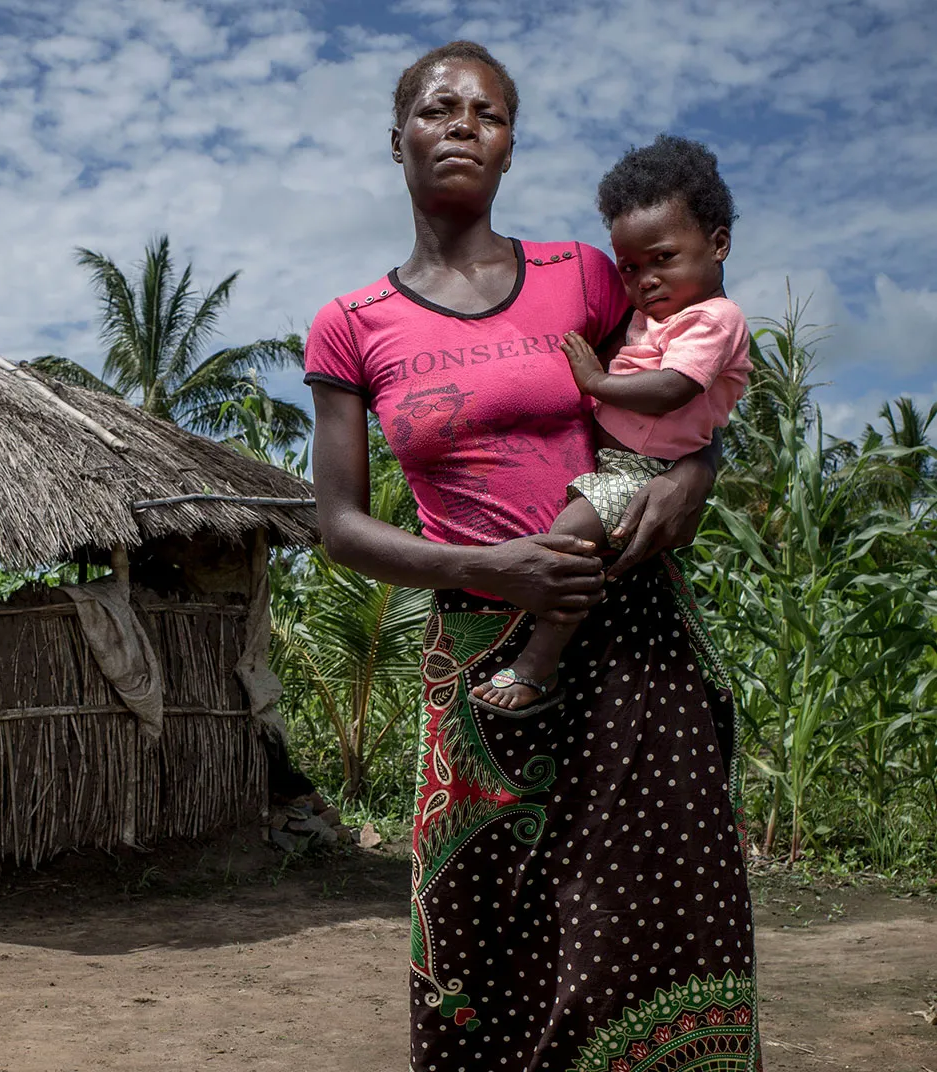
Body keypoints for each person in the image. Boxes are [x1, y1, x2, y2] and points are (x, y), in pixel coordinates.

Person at [303, 41, 761, 1072]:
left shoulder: (583, 275)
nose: (463, 124)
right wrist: (503, 568)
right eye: (438, 107)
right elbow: (337, 523)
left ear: (509, 149)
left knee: (649, 926)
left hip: (631, 635)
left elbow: (685, 381)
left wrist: (700, 472)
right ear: (397, 139)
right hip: (476, 659)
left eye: (489, 113)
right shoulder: (348, 325)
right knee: (476, 949)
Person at [470, 135, 752, 717]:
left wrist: (595, 383)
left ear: (718, 243)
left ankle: (534, 667)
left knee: (567, 545)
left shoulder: (714, 320)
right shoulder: (657, 317)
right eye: (630, 267)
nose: (645, 279)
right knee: (570, 549)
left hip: (640, 470)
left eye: (663, 259)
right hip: (619, 465)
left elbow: (674, 388)